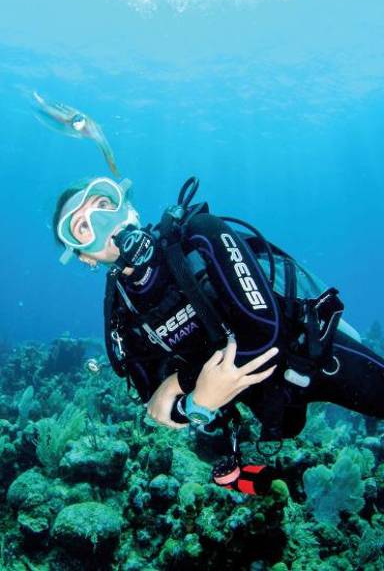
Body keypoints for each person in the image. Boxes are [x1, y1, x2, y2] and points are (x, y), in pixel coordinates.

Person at [52, 176, 384, 491]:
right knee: (279, 437)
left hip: (312, 357)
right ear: (85, 256)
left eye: (104, 205)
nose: (102, 223)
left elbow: (266, 334)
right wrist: (193, 407)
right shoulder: (123, 316)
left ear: (128, 207)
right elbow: (157, 407)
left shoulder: (199, 235)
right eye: (82, 227)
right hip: (271, 408)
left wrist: (185, 386)